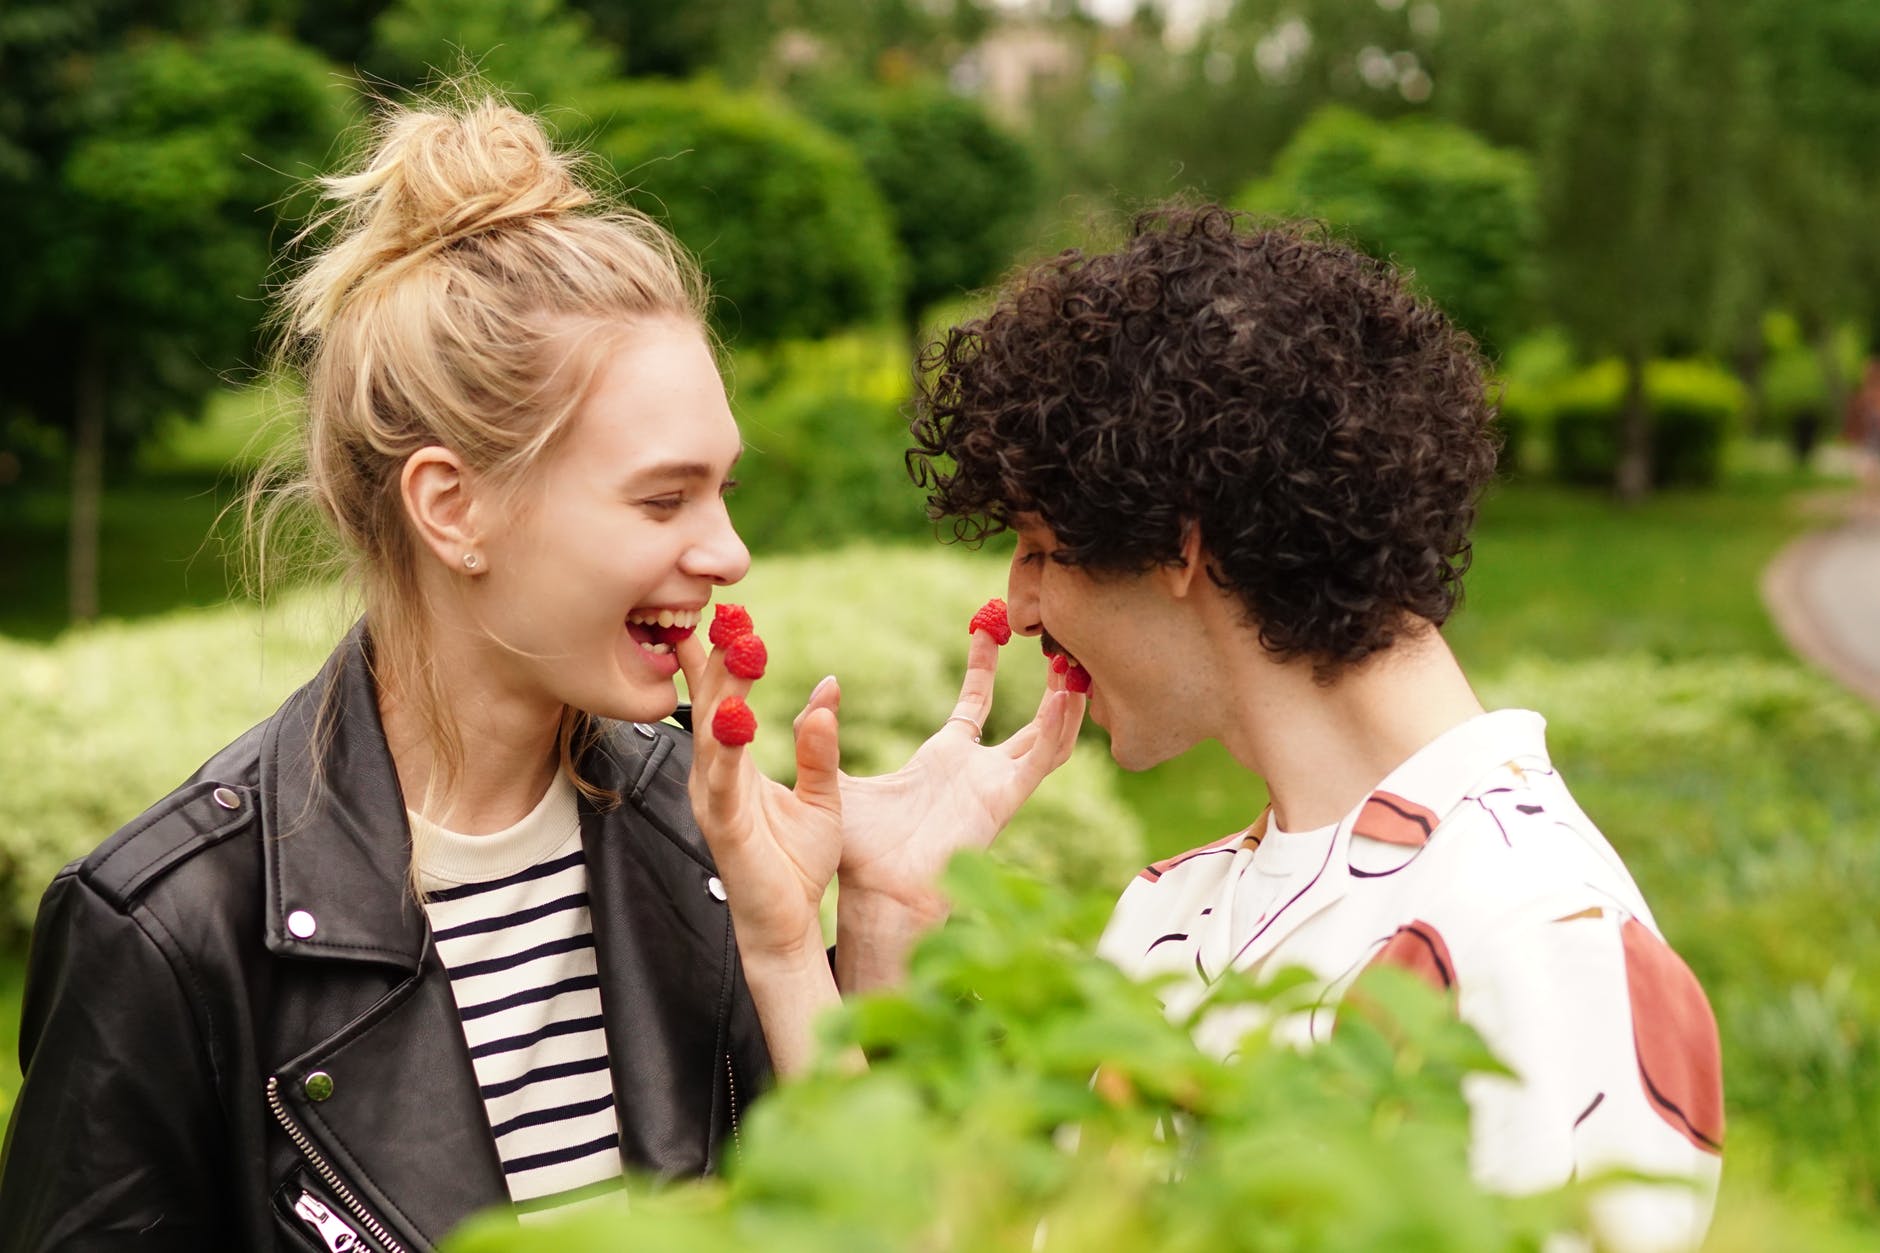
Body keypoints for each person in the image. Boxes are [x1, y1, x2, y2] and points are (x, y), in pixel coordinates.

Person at [0, 97, 1080, 1251]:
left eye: (722, 487)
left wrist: (871, 934)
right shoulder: (170, 932)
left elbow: (869, 1225)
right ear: (453, 509)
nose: (727, 551)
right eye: (664, 497)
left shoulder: (701, 842)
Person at [898, 206, 1724, 1252]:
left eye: (1035, 547)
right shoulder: (1170, 911)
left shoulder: (1543, 944)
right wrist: (873, 925)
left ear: (1175, 540)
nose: (1015, 607)